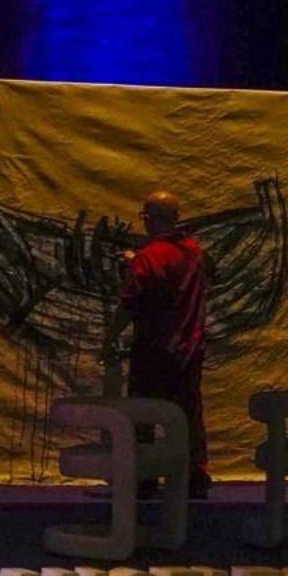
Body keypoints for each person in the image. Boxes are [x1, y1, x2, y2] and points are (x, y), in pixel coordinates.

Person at [101, 190, 210, 497]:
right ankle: (194, 477)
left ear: (150, 219)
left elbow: (130, 302)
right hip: (190, 346)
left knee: (143, 415)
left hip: (154, 347)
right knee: (188, 414)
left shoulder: (150, 257)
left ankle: (144, 478)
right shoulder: (194, 251)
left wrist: (109, 338)